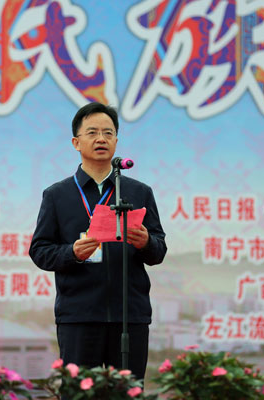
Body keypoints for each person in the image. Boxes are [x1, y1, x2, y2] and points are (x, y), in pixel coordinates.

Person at [29, 102, 166, 379]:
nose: (101, 139)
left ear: (116, 141)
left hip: (129, 316)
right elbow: (40, 250)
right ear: (76, 142)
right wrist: (72, 253)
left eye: (108, 133)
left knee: (128, 393)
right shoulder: (57, 195)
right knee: (78, 393)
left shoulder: (139, 192)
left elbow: (159, 250)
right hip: (79, 315)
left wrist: (145, 242)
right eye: (92, 132)